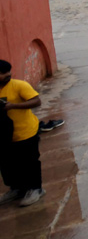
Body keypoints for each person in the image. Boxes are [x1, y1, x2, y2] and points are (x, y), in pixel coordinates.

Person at [0, 59, 47, 206]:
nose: (7, 75)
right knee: (10, 164)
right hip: (6, 135)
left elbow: (36, 101)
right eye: (2, 73)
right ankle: (17, 189)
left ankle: (36, 189)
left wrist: (13, 106)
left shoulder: (19, 85)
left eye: (8, 71)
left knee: (30, 162)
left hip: (26, 131)